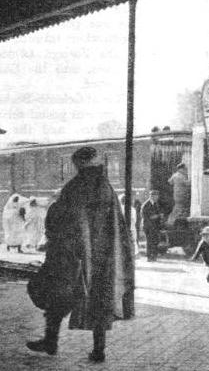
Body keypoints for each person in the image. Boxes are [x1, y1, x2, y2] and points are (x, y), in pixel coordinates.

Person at [26, 146, 134, 363]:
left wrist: (54, 213)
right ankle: (98, 350)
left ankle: (50, 341)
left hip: (72, 256)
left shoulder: (76, 187)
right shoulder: (106, 187)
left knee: (58, 297)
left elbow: (60, 219)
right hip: (103, 257)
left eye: (76, 164)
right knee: (99, 302)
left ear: (80, 163)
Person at [141, 190, 164, 262]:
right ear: (152, 196)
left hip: (155, 226)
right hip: (148, 226)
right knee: (149, 241)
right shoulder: (146, 205)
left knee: (155, 241)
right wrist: (158, 216)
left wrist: (160, 216)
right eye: (156, 196)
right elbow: (147, 217)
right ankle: (149, 257)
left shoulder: (155, 204)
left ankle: (153, 256)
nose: (157, 197)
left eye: (157, 196)